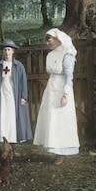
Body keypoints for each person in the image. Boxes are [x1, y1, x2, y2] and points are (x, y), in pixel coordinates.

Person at [33, 28, 80, 161]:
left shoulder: (68, 54)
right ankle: (53, 147)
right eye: (47, 40)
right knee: (51, 118)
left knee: (61, 119)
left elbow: (68, 76)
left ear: (58, 39)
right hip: (51, 87)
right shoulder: (50, 55)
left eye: (50, 39)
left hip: (62, 88)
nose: (48, 42)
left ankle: (62, 152)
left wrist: (65, 94)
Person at [0, 40, 33, 143]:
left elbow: (23, 82)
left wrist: (23, 96)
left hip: (14, 94)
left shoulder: (18, 66)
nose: (7, 52)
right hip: (2, 93)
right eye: (5, 50)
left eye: (9, 50)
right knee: (2, 113)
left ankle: (14, 136)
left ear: (13, 51)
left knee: (13, 114)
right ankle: (2, 136)